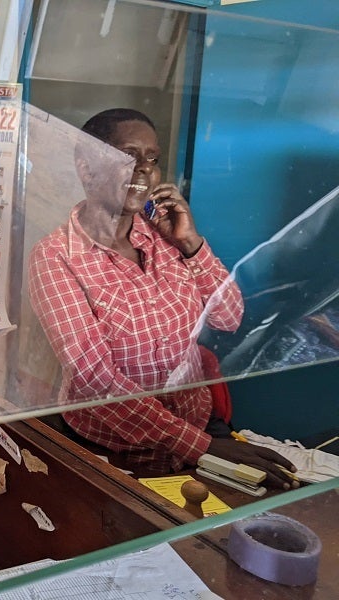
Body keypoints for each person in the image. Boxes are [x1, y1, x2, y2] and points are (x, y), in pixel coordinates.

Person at [28, 108, 297, 487]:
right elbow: (94, 379)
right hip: (118, 447)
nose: (144, 170)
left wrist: (191, 244)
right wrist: (201, 446)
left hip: (198, 423)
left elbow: (229, 317)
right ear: (87, 169)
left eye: (152, 159)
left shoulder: (164, 235)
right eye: (128, 156)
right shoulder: (56, 256)